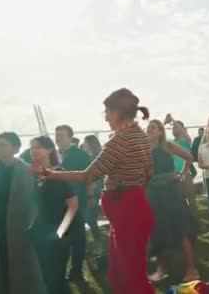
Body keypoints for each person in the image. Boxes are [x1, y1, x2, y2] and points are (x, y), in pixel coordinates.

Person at [30, 88, 155, 294]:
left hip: (128, 212)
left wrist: (50, 173)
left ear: (118, 112)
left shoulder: (120, 141)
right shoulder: (140, 136)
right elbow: (148, 173)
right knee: (118, 274)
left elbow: (88, 176)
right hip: (132, 208)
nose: (105, 117)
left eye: (107, 112)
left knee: (131, 276)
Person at [0, 132, 47, 294]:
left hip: (20, 230)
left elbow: (36, 202)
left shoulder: (26, 171)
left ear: (15, 148)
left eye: (3, 144)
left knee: (21, 269)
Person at [145, 119, 199, 283]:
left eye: (153, 128)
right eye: (148, 128)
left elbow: (189, 158)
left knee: (180, 228)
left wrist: (182, 174)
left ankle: (192, 268)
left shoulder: (168, 146)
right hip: (153, 192)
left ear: (160, 131)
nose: (149, 131)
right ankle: (162, 269)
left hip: (171, 190)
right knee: (156, 229)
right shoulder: (143, 149)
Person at [30, 136, 79, 294]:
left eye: (38, 147)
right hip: (37, 233)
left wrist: (60, 231)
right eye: (31, 148)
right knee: (43, 277)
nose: (34, 151)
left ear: (50, 149)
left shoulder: (60, 173)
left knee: (57, 279)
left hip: (59, 234)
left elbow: (73, 205)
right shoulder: (31, 175)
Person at [55, 124, 91, 282]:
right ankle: (60, 272)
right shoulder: (55, 155)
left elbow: (90, 176)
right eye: (56, 135)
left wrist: (90, 196)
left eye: (61, 135)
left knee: (77, 238)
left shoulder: (80, 155)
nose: (57, 139)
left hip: (77, 201)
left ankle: (76, 271)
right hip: (58, 204)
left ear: (70, 137)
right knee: (61, 237)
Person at [80, 135, 104, 256]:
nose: (83, 144)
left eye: (85, 142)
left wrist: (91, 196)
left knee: (91, 219)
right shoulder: (95, 157)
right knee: (90, 219)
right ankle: (96, 244)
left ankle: (98, 244)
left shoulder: (92, 158)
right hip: (95, 190)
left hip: (93, 191)